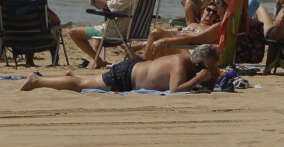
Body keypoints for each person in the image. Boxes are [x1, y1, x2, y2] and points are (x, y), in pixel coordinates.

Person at [20, 44, 220, 94]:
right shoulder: (180, 64)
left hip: (134, 69)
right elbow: (175, 90)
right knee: (81, 86)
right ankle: (38, 81)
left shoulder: (189, 62)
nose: (210, 71)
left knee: (90, 81)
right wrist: (198, 79)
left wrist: (212, 78)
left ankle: (72, 74)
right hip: (126, 76)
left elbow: (207, 85)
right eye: (209, 68)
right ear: (199, 64)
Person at [68, 0, 147, 69]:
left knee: (73, 33)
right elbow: (129, 4)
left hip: (117, 32)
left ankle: (99, 61)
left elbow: (106, 5)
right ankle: (96, 60)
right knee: (99, 29)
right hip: (134, 29)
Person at [143, 0, 224, 59]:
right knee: (147, 41)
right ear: (203, 11)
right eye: (209, 10)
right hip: (176, 40)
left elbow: (192, 39)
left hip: (184, 47)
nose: (210, 13)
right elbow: (188, 2)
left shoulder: (211, 28)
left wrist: (165, 40)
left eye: (214, 12)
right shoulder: (192, 23)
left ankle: (145, 63)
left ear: (217, 17)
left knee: (156, 33)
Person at [11, 0, 62, 67]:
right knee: (54, 28)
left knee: (26, 29)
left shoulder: (8, 4)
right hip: (39, 39)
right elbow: (57, 20)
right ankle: (55, 60)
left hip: (14, 39)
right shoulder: (37, 2)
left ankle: (29, 61)